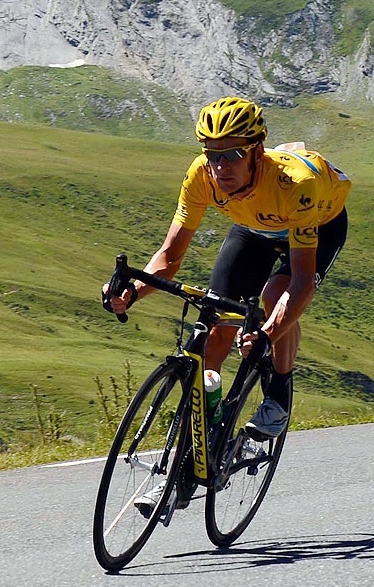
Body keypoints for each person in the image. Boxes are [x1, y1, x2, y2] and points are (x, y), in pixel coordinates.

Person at [103, 96, 351, 471]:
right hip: (254, 227)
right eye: (212, 154)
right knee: (215, 324)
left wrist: (267, 335)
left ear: (258, 151)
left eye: (233, 154)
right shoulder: (200, 175)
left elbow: (301, 282)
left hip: (318, 222)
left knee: (275, 295)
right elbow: (169, 256)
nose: (221, 166)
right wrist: (132, 292)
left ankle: (279, 392)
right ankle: (199, 446)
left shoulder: (296, 184)